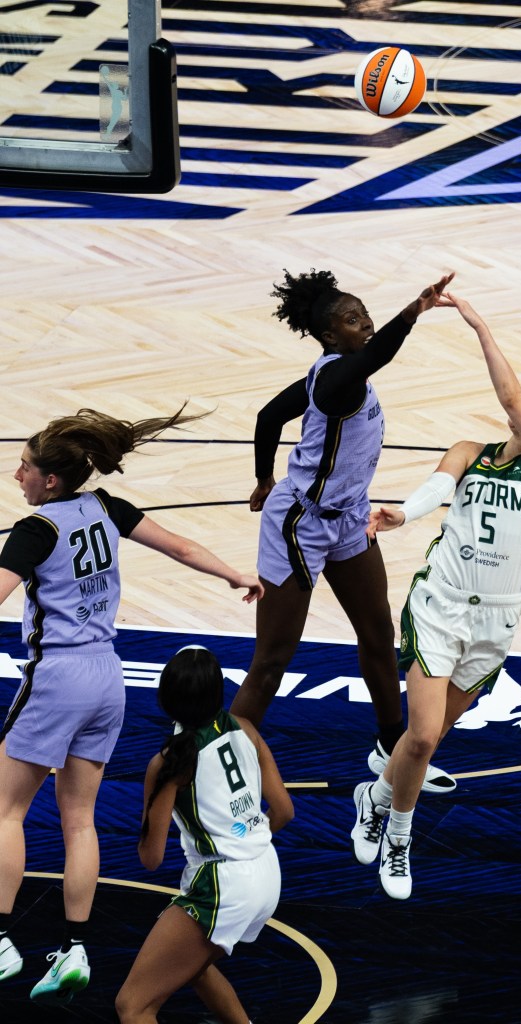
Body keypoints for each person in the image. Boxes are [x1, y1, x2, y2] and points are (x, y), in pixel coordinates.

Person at [0, 406, 263, 1005]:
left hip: (58, 674)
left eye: (25, 468)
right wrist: (232, 575)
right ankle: (75, 949)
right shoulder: (106, 509)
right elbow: (181, 547)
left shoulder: (34, 530)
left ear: (51, 482)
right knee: (80, 820)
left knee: (6, 811)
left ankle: (0, 940)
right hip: (106, 676)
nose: (17, 475)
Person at [350, 292, 521, 899]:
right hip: (441, 603)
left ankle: (372, 795)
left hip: (497, 623)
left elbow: (506, 398)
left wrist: (479, 322)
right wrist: (402, 513)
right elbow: (433, 491)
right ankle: (398, 837)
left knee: (426, 742)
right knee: (421, 737)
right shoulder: (468, 451)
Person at [230, 268, 456, 793]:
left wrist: (263, 477)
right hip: (300, 525)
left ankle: (389, 746)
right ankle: (226, 762)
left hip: (350, 517)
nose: (367, 325)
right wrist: (414, 310)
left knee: (378, 633)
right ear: (331, 335)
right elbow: (377, 356)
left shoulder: (335, 372)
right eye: (354, 321)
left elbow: (268, 417)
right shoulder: (337, 381)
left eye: (365, 315)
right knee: (274, 659)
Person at [115, 646, 293, 1024]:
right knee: (194, 968)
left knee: (133, 1006)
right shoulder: (245, 727)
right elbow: (284, 811)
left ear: (166, 699)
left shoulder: (169, 763)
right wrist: (245, 835)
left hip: (223, 884)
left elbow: (152, 859)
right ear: (218, 693)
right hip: (267, 872)